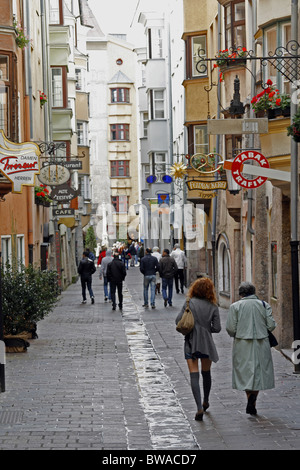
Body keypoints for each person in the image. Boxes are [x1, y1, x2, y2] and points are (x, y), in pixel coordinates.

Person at [226, 282, 277, 416]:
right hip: (262, 342)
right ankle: (253, 399)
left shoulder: (235, 307)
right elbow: (271, 325)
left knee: (245, 371)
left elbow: (231, 328)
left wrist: (239, 332)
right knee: (259, 370)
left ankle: (250, 398)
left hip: (242, 342)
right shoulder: (264, 305)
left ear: (241, 294)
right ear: (254, 293)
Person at [175, 277, 221, 421]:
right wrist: (206, 330)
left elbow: (178, 320)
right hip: (206, 343)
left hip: (190, 342)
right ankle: (206, 400)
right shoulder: (213, 306)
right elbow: (217, 328)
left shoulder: (189, 303)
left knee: (194, 375)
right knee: (206, 373)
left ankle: (199, 408)